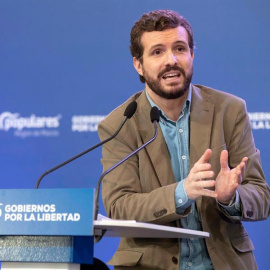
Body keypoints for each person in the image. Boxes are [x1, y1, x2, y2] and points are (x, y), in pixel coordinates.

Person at [98, 9, 270, 270]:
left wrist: (230, 199)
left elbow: (260, 196)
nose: (172, 60)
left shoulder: (229, 110)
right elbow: (120, 206)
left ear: (192, 54)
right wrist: (182, 192)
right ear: (138, 65)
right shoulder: (120, 124)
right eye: (157, 52)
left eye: (179, 48)